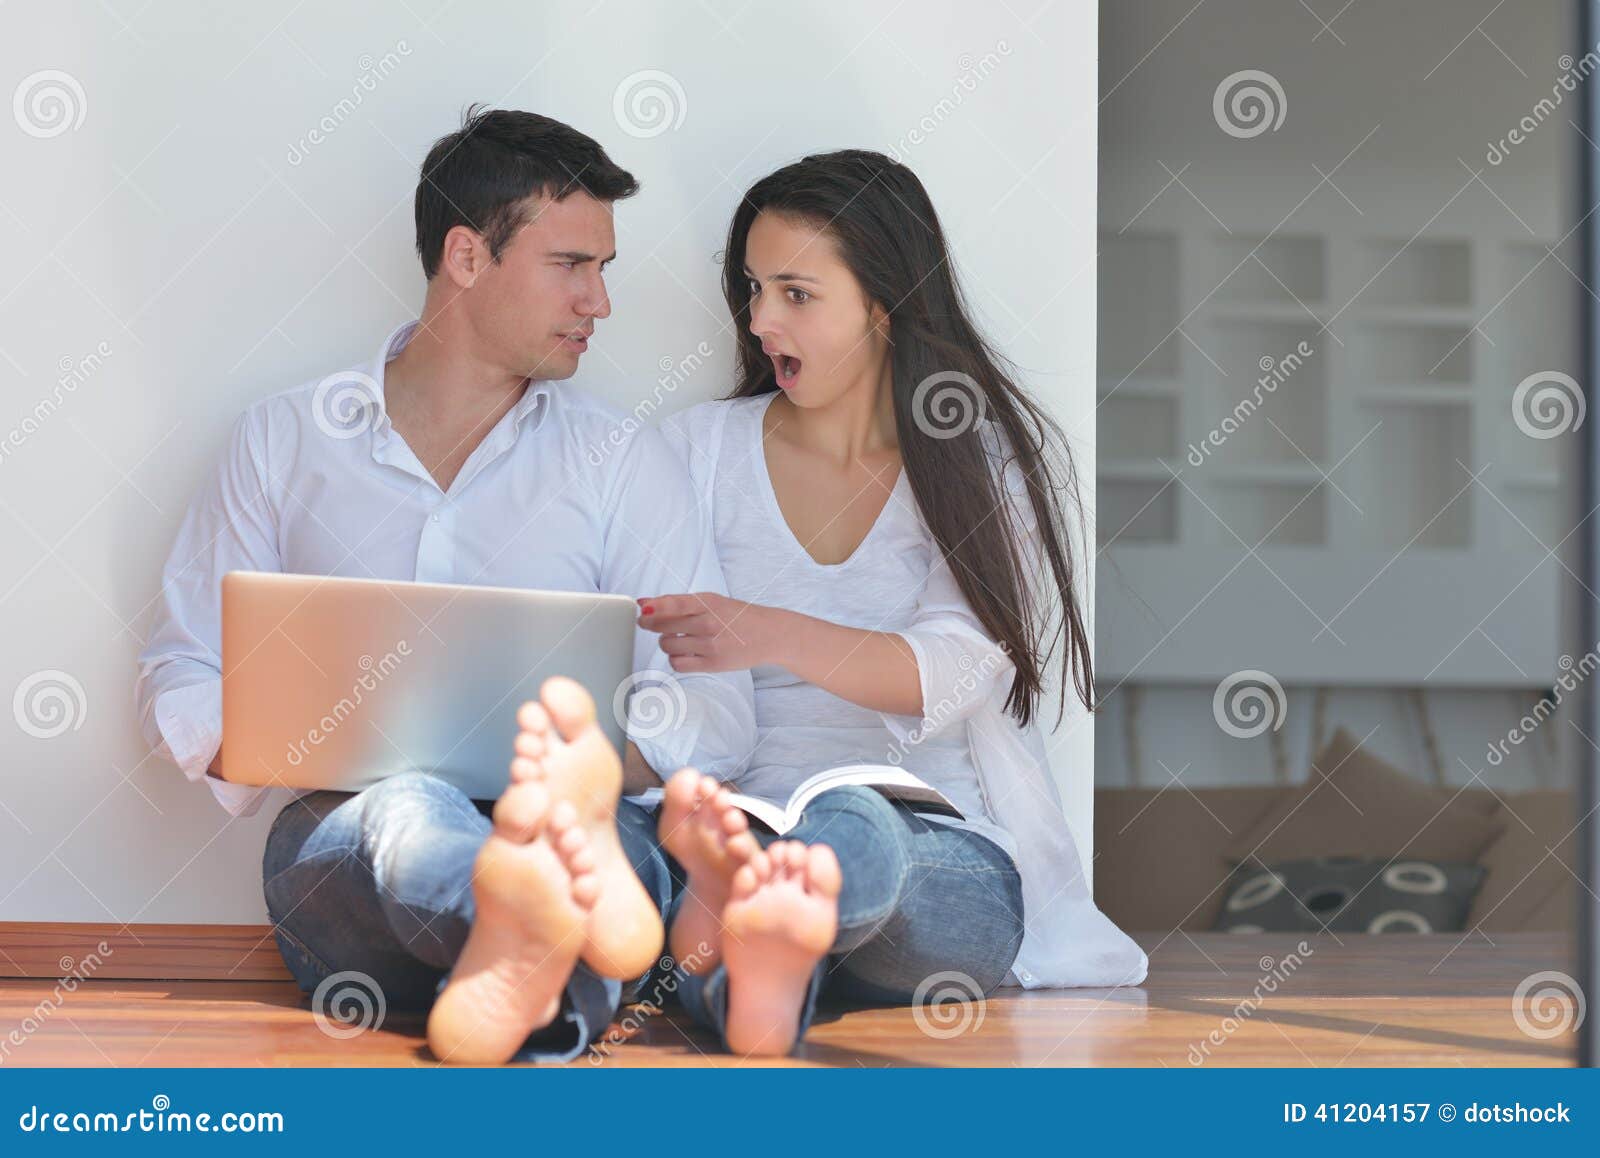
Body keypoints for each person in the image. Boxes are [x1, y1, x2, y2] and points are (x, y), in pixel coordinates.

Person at [134, 107, 755, 1065]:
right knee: (402, 811)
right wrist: (274, 731)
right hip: (353, 837)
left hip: (573, 823)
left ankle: (518, 953)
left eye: (605, 269)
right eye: (571, 265)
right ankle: (521, 918)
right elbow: (182, 669)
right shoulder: (286, 440)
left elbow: (720, 706)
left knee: (592, 847)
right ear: (466, 257)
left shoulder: (621, 461)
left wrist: (590, 768)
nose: (600, 302)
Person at [634, 149, 1149, 1055]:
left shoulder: (972, 461)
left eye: (796, 293)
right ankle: (758, 967)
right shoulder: (695, 450)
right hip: (736, 815)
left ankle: (751, 908)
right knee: (657, 857)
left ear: (883, 301)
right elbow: (657, 675)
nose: (759, 320)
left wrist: (769, 631)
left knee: (849, 824)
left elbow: (960, 671)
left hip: (931, 847)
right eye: (753, 289)